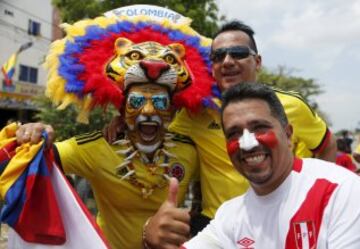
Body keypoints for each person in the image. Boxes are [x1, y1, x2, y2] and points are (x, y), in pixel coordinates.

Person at [7, 9, 215, 249]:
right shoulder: (97, 147)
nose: (148, 111)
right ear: (123, 109)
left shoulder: (189, 150)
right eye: (137, 102)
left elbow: (212, 192)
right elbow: (30, 161)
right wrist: (34, 135)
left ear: (170, 111)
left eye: (159, 103)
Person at [140, 20, 337, 247]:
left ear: (258, 61)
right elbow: (155, 134)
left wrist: (320, 200)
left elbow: (327, 145)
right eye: (218, 56)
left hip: (283, 220)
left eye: (238, 53)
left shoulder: (292, 105)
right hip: (217, 227)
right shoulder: (194, 113)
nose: (227, 61)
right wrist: (122, 121)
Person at [181, 82, 360, 248]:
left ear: (288, 135)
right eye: (234, 133)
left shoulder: (340, 191)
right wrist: (152, 237)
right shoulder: (229, 216)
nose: (247, 143)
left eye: (259, 127)